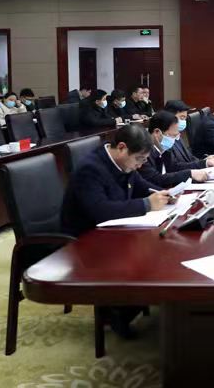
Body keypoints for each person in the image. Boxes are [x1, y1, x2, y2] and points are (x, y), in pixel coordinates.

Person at [60, 124, 169, 338]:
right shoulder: (91, 169)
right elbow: (101, 211)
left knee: (159, 246)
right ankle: (117, 312)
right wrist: (147, 204)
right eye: (138, 159)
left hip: (110, 230)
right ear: (121, 148)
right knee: (142, 252)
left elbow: (141, 186)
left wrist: (164, 194)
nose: (140, 165)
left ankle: (137, 302)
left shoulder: (123, 164)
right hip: (84, 238)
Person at [140, 112, 210, 187]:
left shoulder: (163, 147)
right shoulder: (143, 152)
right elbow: (155, 178)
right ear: (157, 132)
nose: (174, 140)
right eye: (173, 136)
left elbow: (174, 167)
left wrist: (203, 163)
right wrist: (189, 174)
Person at [162, 100, 214, 172]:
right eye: (181, 118)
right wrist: (203, 163)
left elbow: (188, 157)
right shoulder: (165, 139)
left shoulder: (177, 134)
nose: (184, 121)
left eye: (185, 118)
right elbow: (174, 167)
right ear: (169, 117)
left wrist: (204, 159)